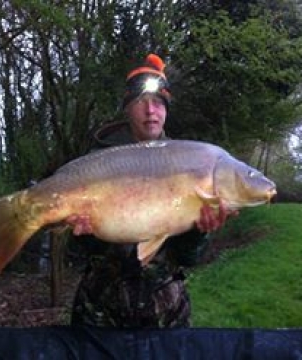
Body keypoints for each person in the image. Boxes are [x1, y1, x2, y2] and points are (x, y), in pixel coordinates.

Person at [70, 54, 233, 328]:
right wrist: (86, 234)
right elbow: (79, 254)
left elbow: (189, 258)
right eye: (141, 103)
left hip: (165, 310)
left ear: (166, 110)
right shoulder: (97, 162)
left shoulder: (188, 163)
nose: (150, 111)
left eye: (158, 103)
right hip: (100, 307)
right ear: (127, 109)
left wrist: (200, 230)